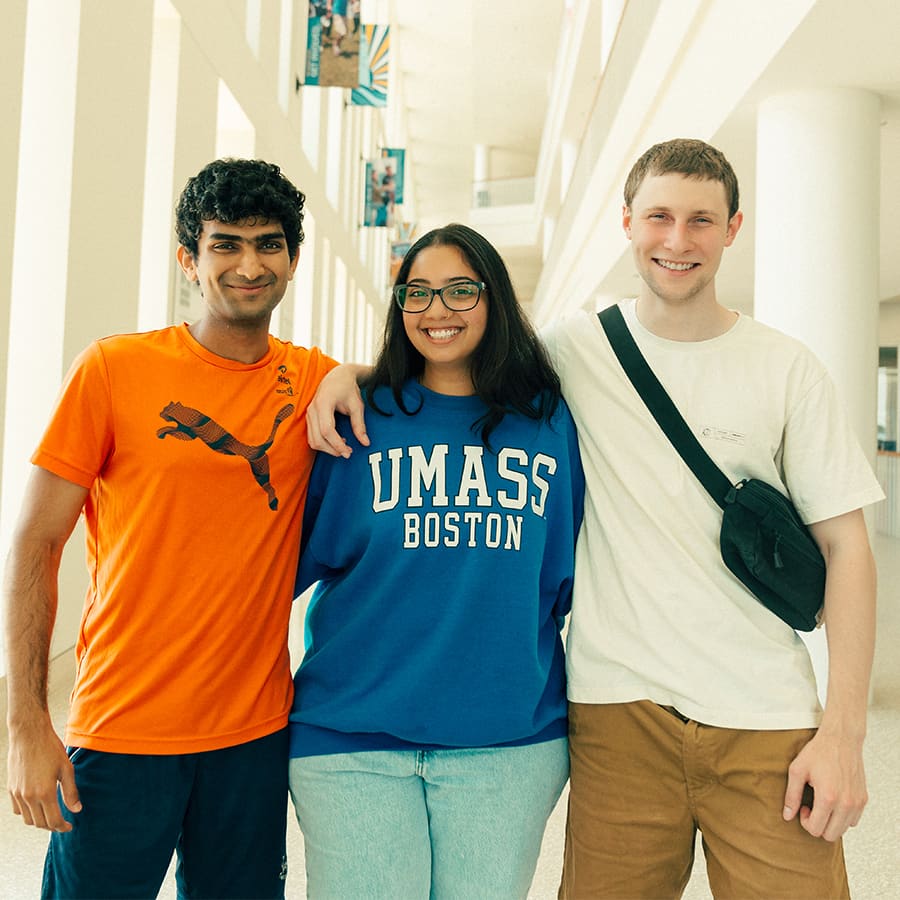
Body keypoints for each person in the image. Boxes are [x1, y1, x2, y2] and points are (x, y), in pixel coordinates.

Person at [304, 139, 884, 899]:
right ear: (627, 223)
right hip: (619, 717)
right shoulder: (574, 352)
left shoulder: (785, 366)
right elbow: (454, 355)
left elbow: (848, 548)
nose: (678, 241)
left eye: (701, 221)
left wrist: (843, 732)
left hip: (766, 714)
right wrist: (347, 376)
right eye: (660, 217)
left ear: (734, 228)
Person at [3, 158, 338, 899]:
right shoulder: (115, 370)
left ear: (292, 258)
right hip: (122, 729)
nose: (249, 264)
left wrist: (358, 376)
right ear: (188, 258)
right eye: (225, 244)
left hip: (252, 738)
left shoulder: (318, 379)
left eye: (269, 244)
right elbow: (36, 542)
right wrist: (25, 722)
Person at [288, 223, 584, 899]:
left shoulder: (547, 420)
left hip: (506, 743)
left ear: (494, 298)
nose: (436, 310)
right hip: (350, 737)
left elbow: (563, 571)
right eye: (416, 293)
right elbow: (295, 563)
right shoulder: (358, 418)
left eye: (459, 290)